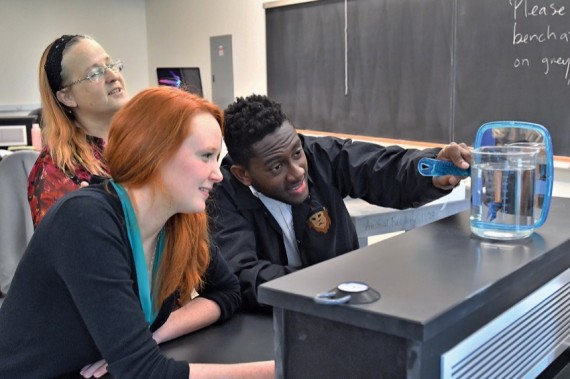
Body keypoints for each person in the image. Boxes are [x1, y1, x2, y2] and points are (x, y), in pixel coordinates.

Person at [0, 87, 274, 378]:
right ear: (154, 151)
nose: (217, 174)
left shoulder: (178, 221)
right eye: (205, 156)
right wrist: (284, 370)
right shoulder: (86, 219)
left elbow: (227, 291)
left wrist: (150, 338)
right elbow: (143, 372)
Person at [208, 94, 471, 311]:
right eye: (277, 167)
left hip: (343, 313)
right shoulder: (221, 198)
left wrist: (431, 170)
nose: (298, 171)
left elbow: (379, 169)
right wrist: (328, 285)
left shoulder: (321, 156)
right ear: (243, 174)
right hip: (268, 327)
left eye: (297, 153)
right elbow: (241, 276)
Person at [27, 34, 129, 227]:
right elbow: (66, 251)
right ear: (67, 97)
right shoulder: (54, 172)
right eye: (95, 73)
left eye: (111, 65)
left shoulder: (141, 143)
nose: (113, 76)